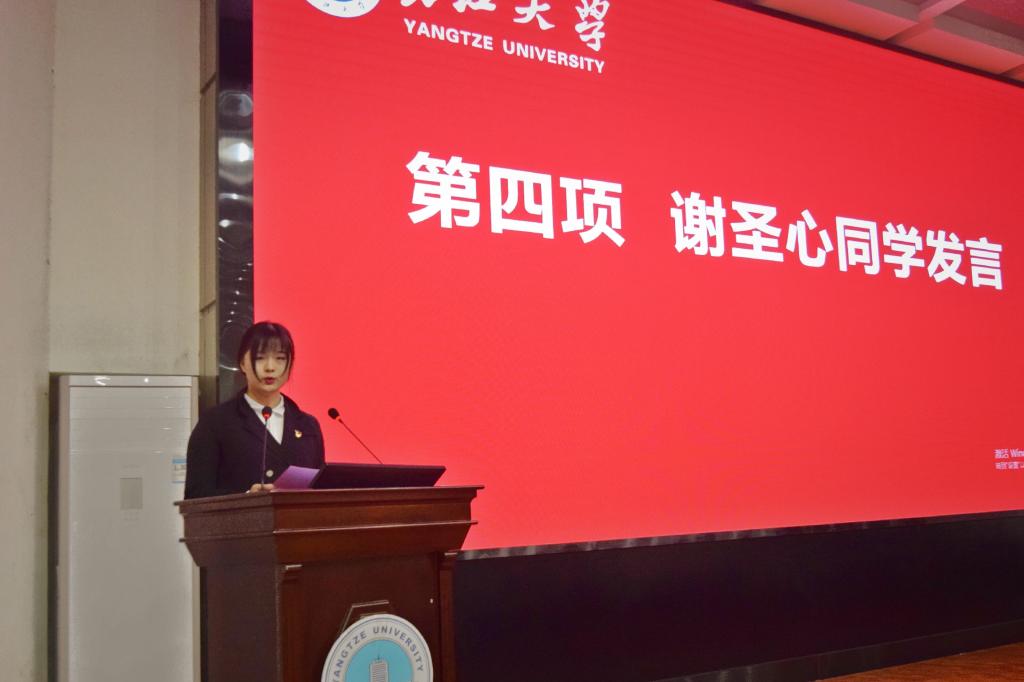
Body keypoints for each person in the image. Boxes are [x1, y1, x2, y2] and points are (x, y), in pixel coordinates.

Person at [184, 321, 325, 498]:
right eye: (260, 358)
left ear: (290, 364)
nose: (270, 367)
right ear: (242, 363)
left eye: (280, 358)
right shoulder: (215, 423)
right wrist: (246, 497)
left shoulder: (307, 425)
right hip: (240, 517)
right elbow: (195, 495)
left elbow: (320, 490)